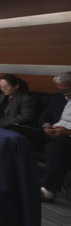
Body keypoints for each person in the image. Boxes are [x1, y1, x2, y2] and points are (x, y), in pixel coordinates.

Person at [39, 72, 71, 202]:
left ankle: (49, 190)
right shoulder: (58, 97)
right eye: (61, 91)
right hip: (52, 133)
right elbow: (44, 116)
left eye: (66, 91)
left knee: (55, 146)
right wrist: (46, 125)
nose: (64, 94)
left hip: (67, 138)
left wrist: (68, 132)